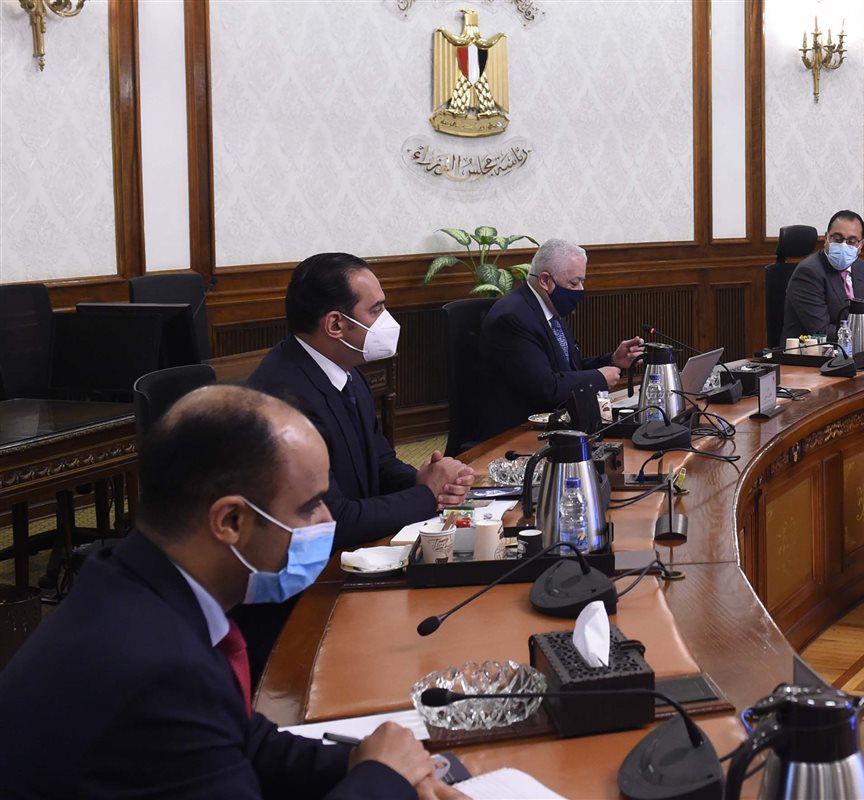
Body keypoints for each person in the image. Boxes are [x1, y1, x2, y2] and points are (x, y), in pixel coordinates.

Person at [0, 386, 464, 800]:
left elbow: (243, 740)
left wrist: (360, 762)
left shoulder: (135, 580)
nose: (328, 521)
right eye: (310, 506)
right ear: (230, 521)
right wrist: (382, 779)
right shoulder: (159, 669)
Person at [246, 252, 472, 677]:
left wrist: (427, 480)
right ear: (336, 324)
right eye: (376, 309)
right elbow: (334, 521)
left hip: (352, 561)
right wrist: (425, 495)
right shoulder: (285, 398)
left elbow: (379, 461)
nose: (387, 320)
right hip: (301, 596)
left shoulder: (344, 370)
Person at [479, 238, 646, 438]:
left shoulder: (549, 309)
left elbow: (567, 371)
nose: (581, 290)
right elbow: (546, 389)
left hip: (558, 425)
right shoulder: (513, 317)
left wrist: (612, 361)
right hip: (516, 433)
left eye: (582, 281)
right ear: (545, 280)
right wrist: (599, 378)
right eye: (574, 283)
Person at [781, 210, 864, 341]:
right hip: (812, 351)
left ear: (861, 245)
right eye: (837, 239)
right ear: (826, 239)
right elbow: (821, 332)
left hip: (857, 350)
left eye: (851, 241)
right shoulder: (809, 272)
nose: (843, 245)